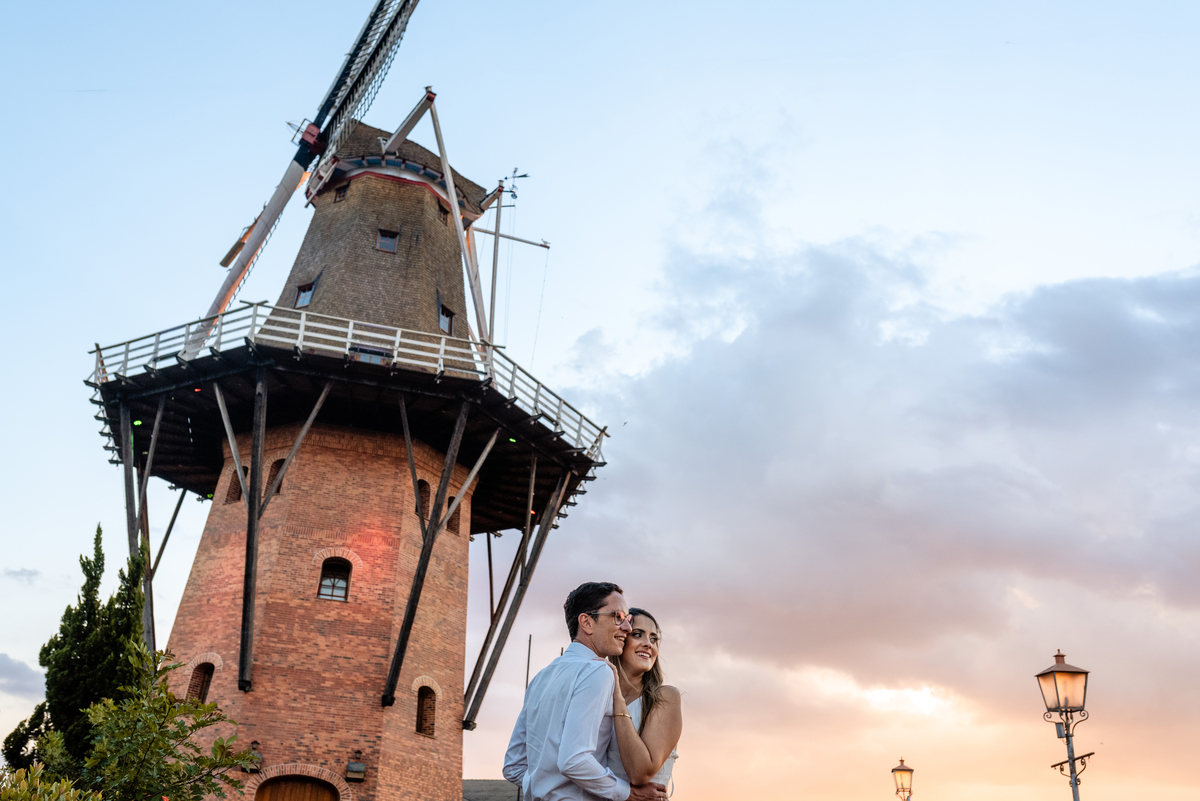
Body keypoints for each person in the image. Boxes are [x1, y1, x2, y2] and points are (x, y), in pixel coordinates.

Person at [503, 582, 669, 801]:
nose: (627, 628)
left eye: (627, 619)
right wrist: (628, 793)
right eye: (618, 617)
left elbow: (513, 767)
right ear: (587, 622)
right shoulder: (598, 671)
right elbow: (574, 760)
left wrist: (547, 786)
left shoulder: (541, 677)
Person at [607, 609, 682, 795]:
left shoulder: (665, 697)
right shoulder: (598, 698)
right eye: (638, 634)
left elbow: (640, 773)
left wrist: (618, 698)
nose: (648, 644)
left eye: (653, 639)